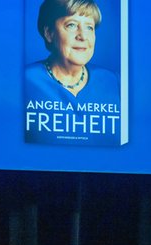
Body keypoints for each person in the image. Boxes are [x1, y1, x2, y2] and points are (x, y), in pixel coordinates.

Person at [25, 0, 122, 146]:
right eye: (71, 25)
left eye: (89, 27)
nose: (82, 36)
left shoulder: (114, 81)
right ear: (49, 33)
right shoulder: (24, 81)